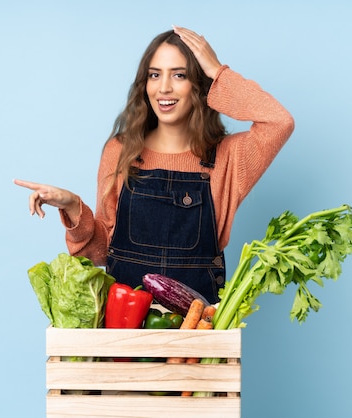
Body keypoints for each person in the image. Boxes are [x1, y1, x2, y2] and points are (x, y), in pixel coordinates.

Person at [15, 26, 294, 303]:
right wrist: (73, 207)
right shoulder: (121, 150)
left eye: (180, 75)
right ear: (144, 83)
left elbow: (279, 121)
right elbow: (102, 254)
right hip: (126, 329)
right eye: (155, 75)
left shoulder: (228, 157)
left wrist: (218, 71)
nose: (164, 88)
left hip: (197, 333)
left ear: (199, 84)